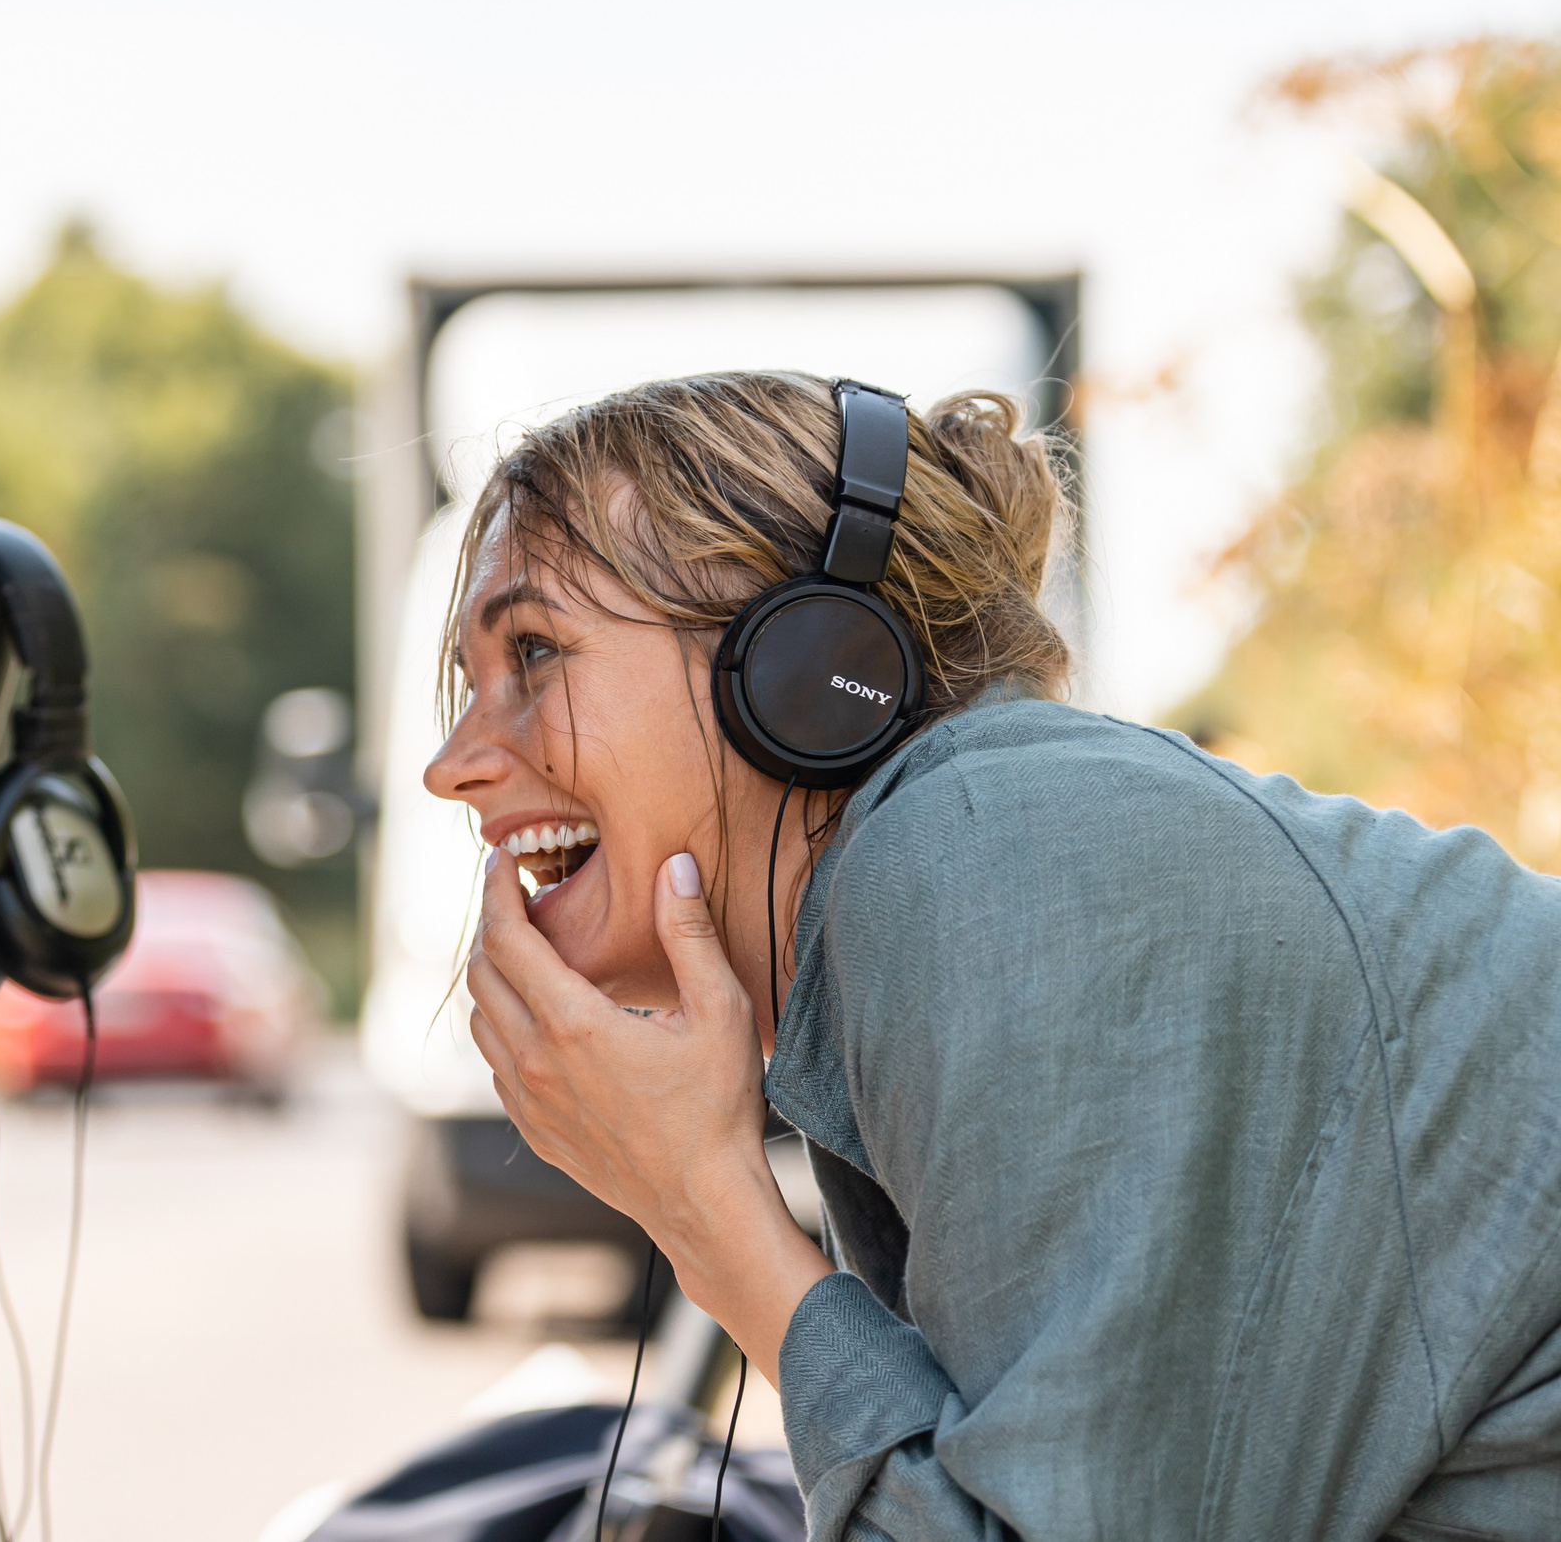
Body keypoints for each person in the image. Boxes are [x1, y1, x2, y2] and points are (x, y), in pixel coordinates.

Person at [433, 370, 1561, 1539]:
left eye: (535, 653)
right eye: (473, 684)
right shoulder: (961, 866)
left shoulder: (993, 852)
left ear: (804, 668)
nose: (453, 761)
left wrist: (703, 1206)